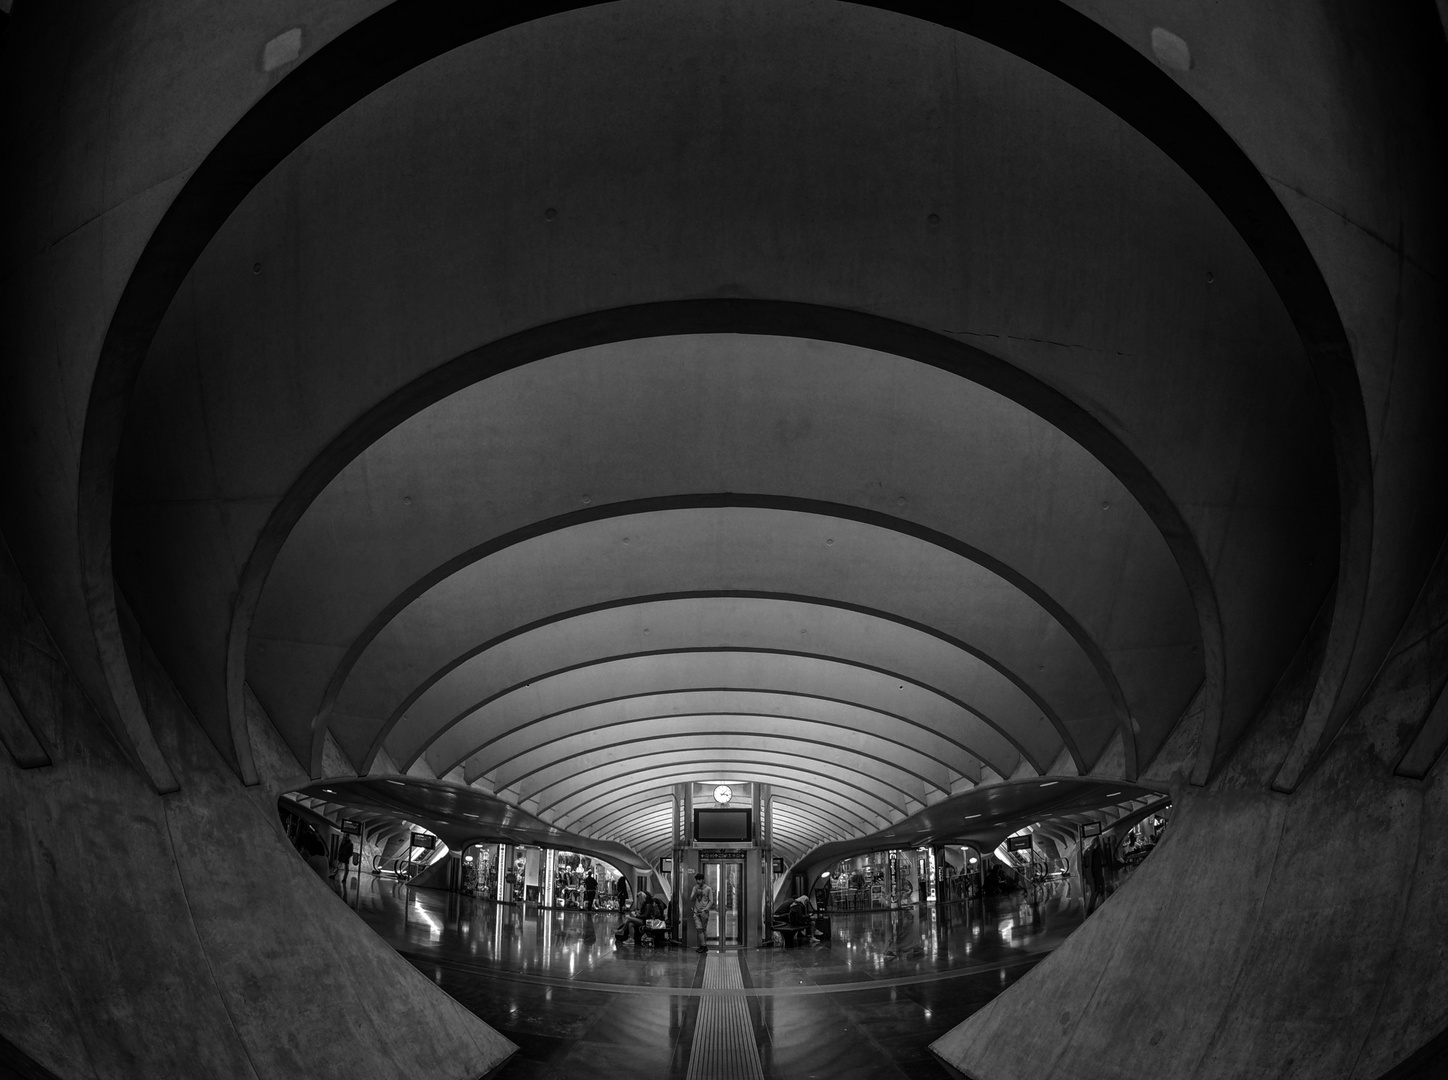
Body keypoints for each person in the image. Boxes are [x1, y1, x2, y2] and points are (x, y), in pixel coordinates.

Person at [688, 872, 714, 953]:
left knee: (703, 929)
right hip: (696, 911)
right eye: (696, 880)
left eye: (699, 880)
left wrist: (706, 909)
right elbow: (691, 899)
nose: (698, 881)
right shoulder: (695, 888)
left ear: (702, 880)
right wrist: (695, 892)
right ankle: (704, 945)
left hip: (704, 912)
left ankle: (703, 945)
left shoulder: (708, 889)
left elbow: (711, 901)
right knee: (699, 928)